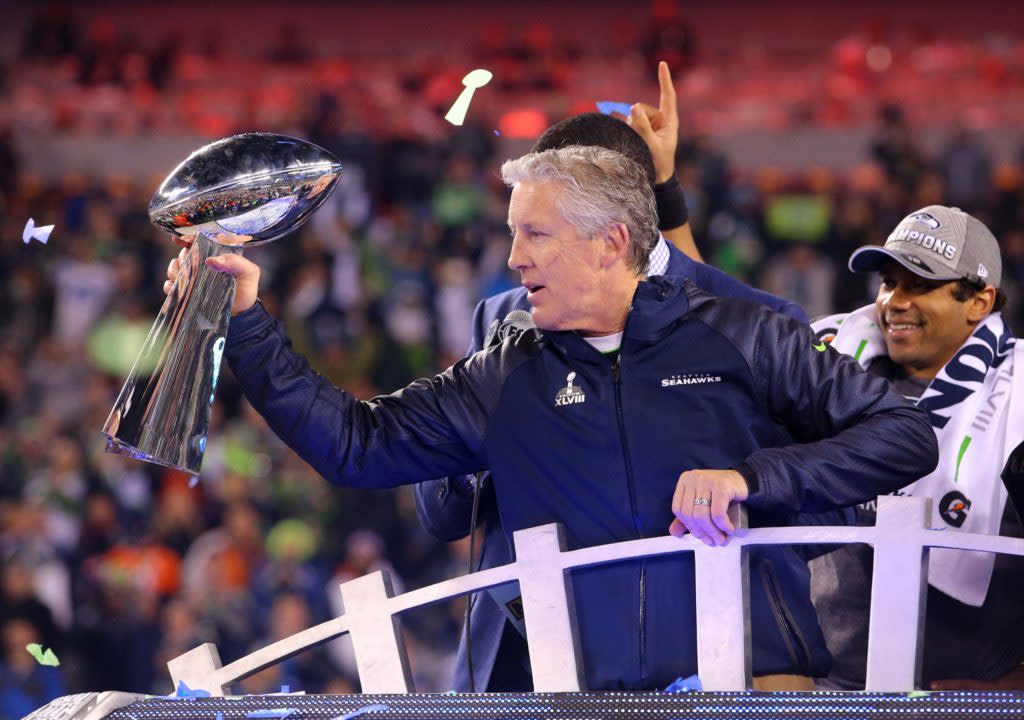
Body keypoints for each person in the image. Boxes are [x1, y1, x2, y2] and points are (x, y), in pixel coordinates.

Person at [169, 145, 937, 691]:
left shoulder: (742, 334)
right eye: (513, 232)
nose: (512, 258)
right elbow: (356, 445)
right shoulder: (508, 374)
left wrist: (754, 477)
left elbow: (905, 435)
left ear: (611, 244)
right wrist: (248, 321)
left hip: (754, 691)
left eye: (534, 234)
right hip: (586, 704)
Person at [414, 83, 804, 692]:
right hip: (520, 656)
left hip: (701, 651)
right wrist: (465, 460)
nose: (522, 254)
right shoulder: (503, 318)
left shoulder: (751, 321)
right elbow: (444, 511)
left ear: (621, 217)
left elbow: (816, 504)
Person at [809, 205, 1024, 690]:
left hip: (962, 693)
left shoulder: (1020, 391)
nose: (894, 302)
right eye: (888, 282)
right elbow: (726, 325)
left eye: (920, 285)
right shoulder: (826, 352)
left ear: (978, 301)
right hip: (825, 686)